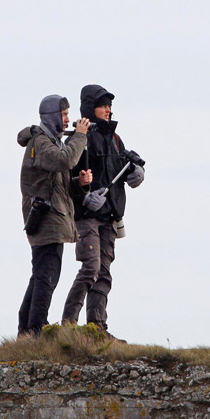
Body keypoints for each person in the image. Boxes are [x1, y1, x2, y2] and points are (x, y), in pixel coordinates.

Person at [61, 84, 145, 337]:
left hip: (110, 217)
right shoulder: (78, 138)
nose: (108, 110)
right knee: (91, 269)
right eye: (103, 105)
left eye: (110, 105)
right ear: (90, 108)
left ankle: (97, 330)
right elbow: (64, 180)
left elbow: (129, 161)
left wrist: (136, 170)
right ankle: (68, 327)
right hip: (86, 218)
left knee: (104, 274)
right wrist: (83, 198)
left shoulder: (115, 138)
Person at [17, 94, 93, 337]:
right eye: (64, 115)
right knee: (46, 277)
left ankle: (27, 330)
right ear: (52, 117)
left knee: (41, 275)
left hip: (51, 217)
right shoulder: (41, 143)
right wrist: (80, 136)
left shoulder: (50, 142)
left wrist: (78, 183)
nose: (68, 120)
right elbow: (65, 160)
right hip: (46, 219)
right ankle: (36, 329)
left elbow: (55, 184)